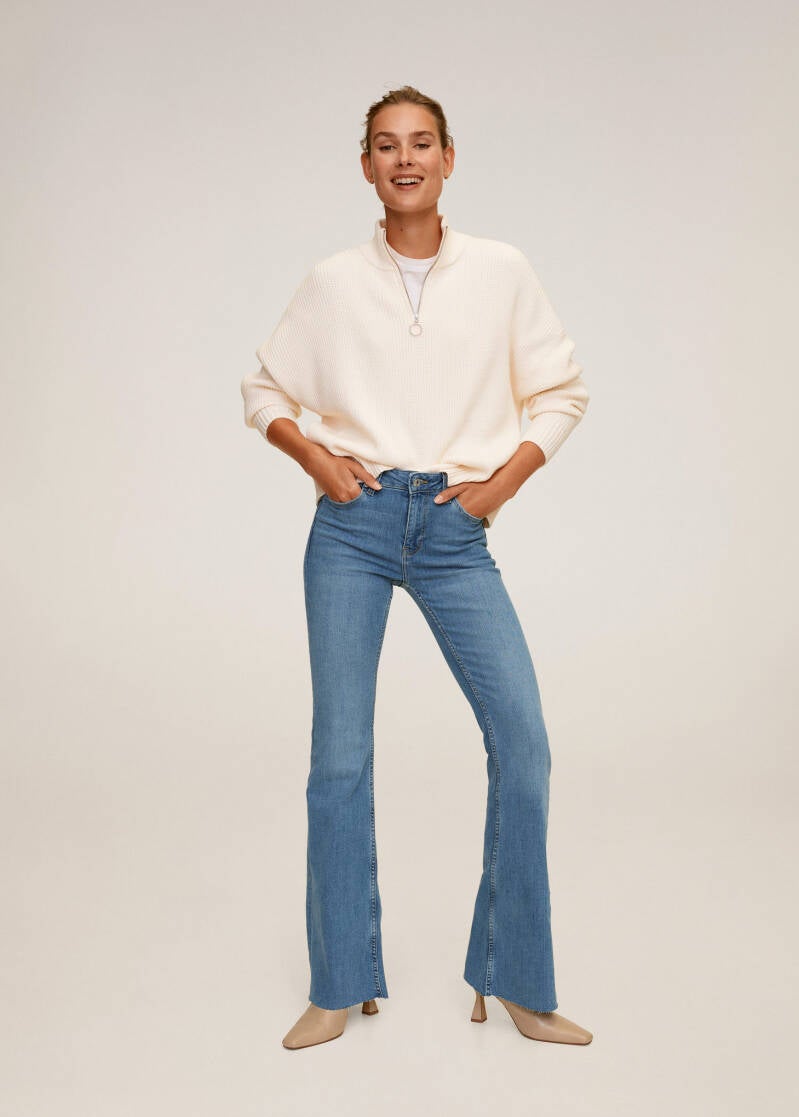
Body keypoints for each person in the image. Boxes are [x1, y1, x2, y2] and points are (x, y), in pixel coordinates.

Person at [240, 85, 593, 1050]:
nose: (405, 159)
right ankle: (338, 982)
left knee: (522, 743)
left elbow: (561, 392)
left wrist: (496, 488)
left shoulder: (501, 271)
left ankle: (514, 979)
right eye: (386, 145)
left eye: (422, 143)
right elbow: (264, 388)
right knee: (339, 757)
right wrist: (317, 460)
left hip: (450, 527)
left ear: (448, 158)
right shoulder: (331, 282)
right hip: (350, 527)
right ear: (365, 166)